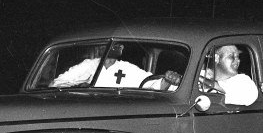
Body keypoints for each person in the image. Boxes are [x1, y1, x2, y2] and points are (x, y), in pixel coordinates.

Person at [52, 43, 181, 89]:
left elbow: (153, 84)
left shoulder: (128, 68)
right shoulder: (89, 65)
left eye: (118, 44)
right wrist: (79, 88)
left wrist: (168, 79)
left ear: (122, 48)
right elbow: (57, 83)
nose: (113, 47)